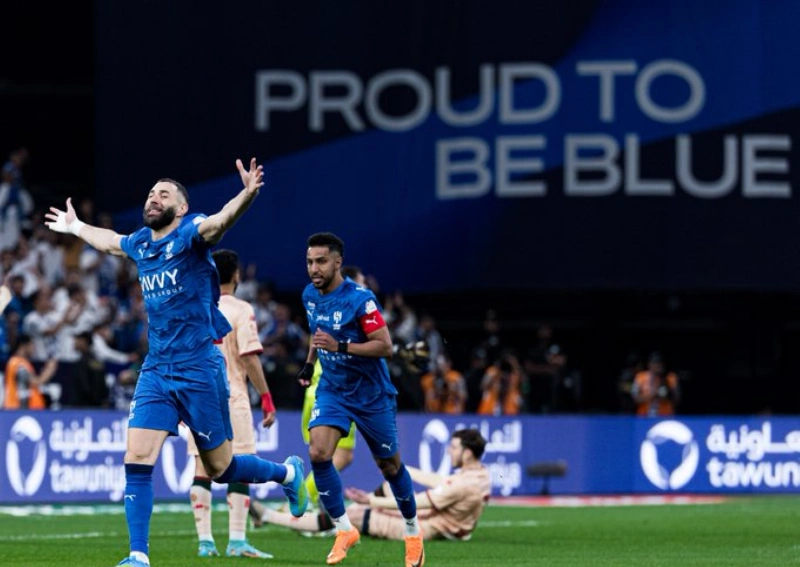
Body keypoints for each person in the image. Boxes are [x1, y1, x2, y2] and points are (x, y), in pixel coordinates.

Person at [44, 158, 308, 567]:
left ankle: (286, 474)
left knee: (221, 469)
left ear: (181, 208)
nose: (154, 198)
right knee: (136, 459)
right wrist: (77, 227)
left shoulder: (190, 233)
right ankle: (138, 555)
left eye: (163, 194)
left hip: (200, 368)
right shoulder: (142, 243)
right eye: (151, 193)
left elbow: (219, 223)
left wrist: (247, 195)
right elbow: (111, 241)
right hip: (157, 370)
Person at [296, 232, 425, 567]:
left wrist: (340, 346)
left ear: (338, 262)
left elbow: (385, 347)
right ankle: (344, 529)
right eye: (309, 262)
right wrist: (309, 363)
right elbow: (317, 332)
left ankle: (413, 532)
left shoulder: (361, 300)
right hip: (333, 390)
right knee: (319, 453)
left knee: (390, 466)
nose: (314, 268)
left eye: (321, 261)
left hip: (371, 395)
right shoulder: (309, 295)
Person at [187, 249, 277, 559]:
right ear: (237, 275)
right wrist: (266, 397)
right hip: (232, 397)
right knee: (240, 466)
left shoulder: (197, 305)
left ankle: (205, 542)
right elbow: (249, 357)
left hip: (198, 399)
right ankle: (237, 541)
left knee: (201, 468)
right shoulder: (241, 309)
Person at [252, 429, 491, 542]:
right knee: (389, 486)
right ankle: (342, 517)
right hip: (440, 520)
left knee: (353, 514)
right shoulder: (480, 475)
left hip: (428, 527)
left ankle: (270, 516)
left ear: (468, 453)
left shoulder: (464, 484)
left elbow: (419, 502)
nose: (449, 451)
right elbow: (440, 482)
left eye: (454, 447)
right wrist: (400, 469)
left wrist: (371, 500)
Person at [3, 334, 58, 409]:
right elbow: (35, 382)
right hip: (18, 411)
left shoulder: (23, 362)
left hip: (27, 410)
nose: (34, 348)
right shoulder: (17, 363)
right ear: (23, 346)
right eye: (31, 345)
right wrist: (49, 370)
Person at [631, 351, 680, 416]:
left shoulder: (670, 377)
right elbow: (635, 398)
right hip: (644, 416)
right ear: (649, 364)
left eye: (660, 363)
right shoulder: (640, 377)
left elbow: (676, 399)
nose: (658, 366)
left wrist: (666, 390)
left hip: (665, 416)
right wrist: (653, 395)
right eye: (655, 363)